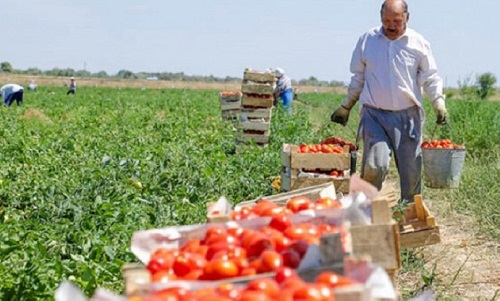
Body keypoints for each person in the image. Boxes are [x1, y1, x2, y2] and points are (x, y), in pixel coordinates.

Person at [330, 0, 448, 203]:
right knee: (375, 165)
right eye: (386, 21)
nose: (391, 26)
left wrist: (438, 103)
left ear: (407, 18)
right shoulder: (368, 40)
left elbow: (430, 77)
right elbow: (358, 77)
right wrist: (346, 105)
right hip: (374, 114)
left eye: (396, 21)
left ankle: (409, 218)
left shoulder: (418, 43)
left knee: (411, 174)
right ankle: (365, 211)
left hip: (407, 116)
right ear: (380, 18)